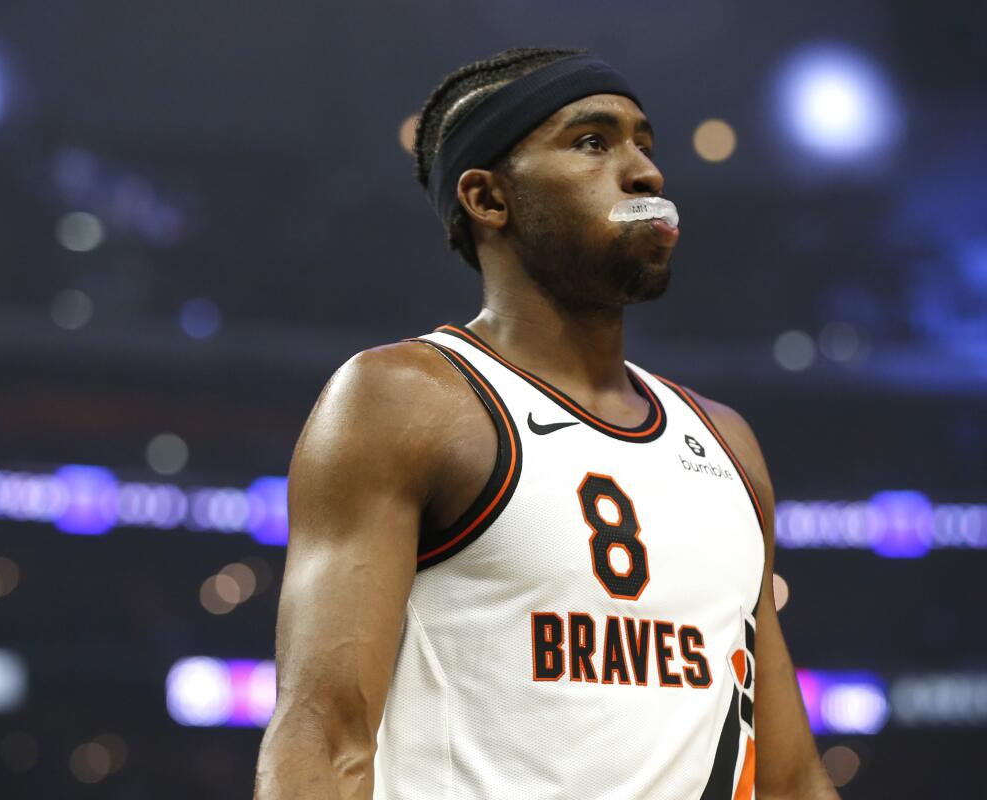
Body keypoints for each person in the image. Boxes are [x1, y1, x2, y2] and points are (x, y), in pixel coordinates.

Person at [254, 47, 837, 799]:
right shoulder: (406, 398)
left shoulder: (726, 442)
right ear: (488, 199)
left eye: (644, 146)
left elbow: (791, 779)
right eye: (593, 143)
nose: (646, 175)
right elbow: (323, 735)